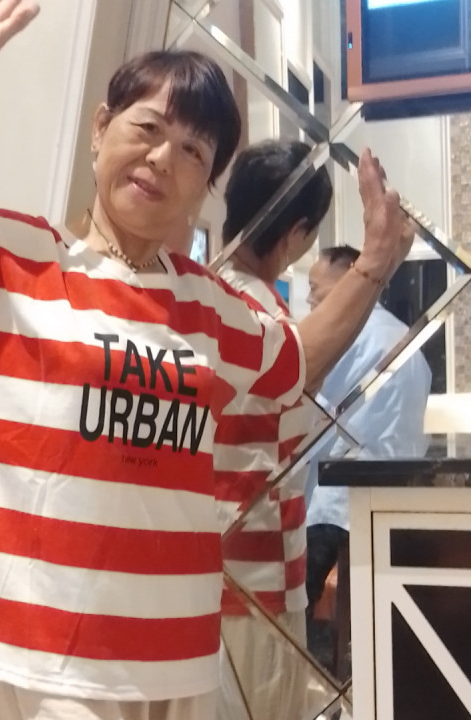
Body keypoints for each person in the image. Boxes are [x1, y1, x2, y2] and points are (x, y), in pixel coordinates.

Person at [0, 1, 409, 717]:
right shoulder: (11, 258)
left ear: (206, 186)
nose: (163, 158)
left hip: (180, 647)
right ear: (100, 129)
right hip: (50, 649)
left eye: (193, 151)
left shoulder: (211, 306)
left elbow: (294, 366)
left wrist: (375, 263)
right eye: (148, 128)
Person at [214, 139, 334, 719]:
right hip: (258, 575)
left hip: (209, 570)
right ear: (297, 232)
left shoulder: (201, 293)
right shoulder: (268, 318)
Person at [304, 245, 432, 665]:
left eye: (316, 290)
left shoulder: (346, 335)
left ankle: (319, 682)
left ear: (349, 281)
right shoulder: (406, 338)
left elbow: (305, 406)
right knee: (373, 618)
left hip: (335, 501)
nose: (309, 300)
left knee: (303, 615)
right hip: (392, 504)